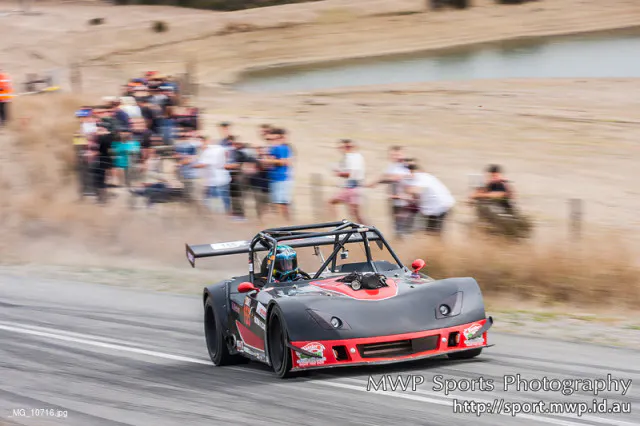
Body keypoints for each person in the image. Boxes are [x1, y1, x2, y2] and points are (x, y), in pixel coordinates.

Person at [367, 145, 411, 236]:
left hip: (404, 202)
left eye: (397, 155)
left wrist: (377, 182)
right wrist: (375, 181)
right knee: (396, 226)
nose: (394, 157)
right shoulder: (393, 165)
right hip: (395, 200)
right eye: (392, 155)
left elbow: (394, 178)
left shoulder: (406, 166)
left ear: (403, 154)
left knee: (402, 228)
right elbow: (386, 175)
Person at [403, 162, 455, 235]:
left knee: (433, 233)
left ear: (411, 171)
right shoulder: (425, 176)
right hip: (440, 207)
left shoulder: (421, 177)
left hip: (440, 208)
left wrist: (405, 190)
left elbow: (415, 190)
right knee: (432, 232)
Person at [329, 139, 366, 224]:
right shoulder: (351, 157)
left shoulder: (353, 157)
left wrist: (338, 173)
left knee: (332, 202)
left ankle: (335, 225)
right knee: (355, 214)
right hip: (352, 188)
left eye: (347, 147)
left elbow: (350, 174)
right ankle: (368, 229)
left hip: (352, 188)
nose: (344, 149)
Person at [194, 135, 231, 214]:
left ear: (205, 141)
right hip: (217, 179)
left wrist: (192, 165)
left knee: (215, 200)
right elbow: (227, 153)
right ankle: (224, 213)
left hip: (216, 181)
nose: (199, 145)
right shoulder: (216, 148)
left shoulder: (210, 151)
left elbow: (203, 164)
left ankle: (219, 214)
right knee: (221, 198)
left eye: (200, 143)